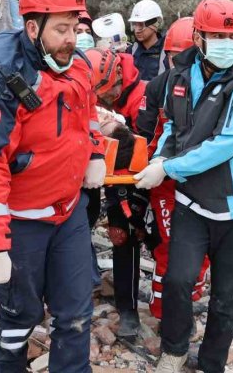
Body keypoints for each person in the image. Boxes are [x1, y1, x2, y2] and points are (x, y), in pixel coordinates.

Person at [0, 0, 106, 372]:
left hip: (68, 213)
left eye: (75, 28)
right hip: (22, 222)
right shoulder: (2, 81)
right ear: (32, 28)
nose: (71, 39)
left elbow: (87, 114)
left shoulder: (75, 64)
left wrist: (93, 152)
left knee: (76, 314)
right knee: (18, 317)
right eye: (61, 29)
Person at [134, 0, 233, 373]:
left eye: (232, 36)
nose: (226, 43)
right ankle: (174, 352)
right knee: (177, 280)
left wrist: (169, 169)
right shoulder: (181, 75)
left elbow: (227, 143)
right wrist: (159, 156)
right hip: (192, 204)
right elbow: (175, 127)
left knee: (225, 298)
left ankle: (212, 364)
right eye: (215, 35)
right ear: (198, 36)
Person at [134, 17, 209, 320]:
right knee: (168, 249)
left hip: (201, 182)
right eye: (172, 58)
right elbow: (145, 134)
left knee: (200, 252)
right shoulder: (157, 88)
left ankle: (186, 306)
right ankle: (165, 315)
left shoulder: (216, 88)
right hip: (164, 182)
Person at [86, 48, 149, 340]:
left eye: (105, 91)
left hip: (136, 175)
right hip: (102, 172)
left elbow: (146, 143)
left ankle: (130, 308)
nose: (102, 98)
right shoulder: (92, 94)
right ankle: (101, 294)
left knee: (128, 235)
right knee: (102, 232)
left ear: (117, 78)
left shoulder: (144, 96)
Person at [127, 0, 164, 81]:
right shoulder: (131, 51)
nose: (137, 30)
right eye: (134, 24)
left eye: (141, 25)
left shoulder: (166, 52)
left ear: (155, 24)